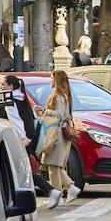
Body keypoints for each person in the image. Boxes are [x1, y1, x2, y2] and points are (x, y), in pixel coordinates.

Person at [39, 70, 79, 208]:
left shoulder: (58, 96)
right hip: (60, 133)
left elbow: (60, 115)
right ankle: (70, 188)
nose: (50, 81)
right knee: (55, 165)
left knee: (53, 166)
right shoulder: (63, 95)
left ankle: (57, 196)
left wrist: (44, 111)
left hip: (57, 134)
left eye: (52, 78)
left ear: (57, 80)